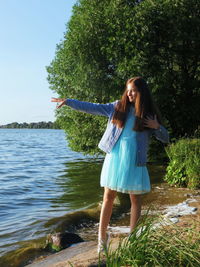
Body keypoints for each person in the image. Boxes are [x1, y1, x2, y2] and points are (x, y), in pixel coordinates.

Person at [51, 76, 169, 253]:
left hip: (135, 160)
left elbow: (165, 138)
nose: (129, 93)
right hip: (115, 157)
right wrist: (69, 102)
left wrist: (156, 126)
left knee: (135, 199)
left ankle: (133, 238)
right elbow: (93, 107)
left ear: (141, 92)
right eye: (128, 90)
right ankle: (101, 239)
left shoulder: (148, 114)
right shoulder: (117, 107)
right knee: (108, 197)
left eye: (133, 90)